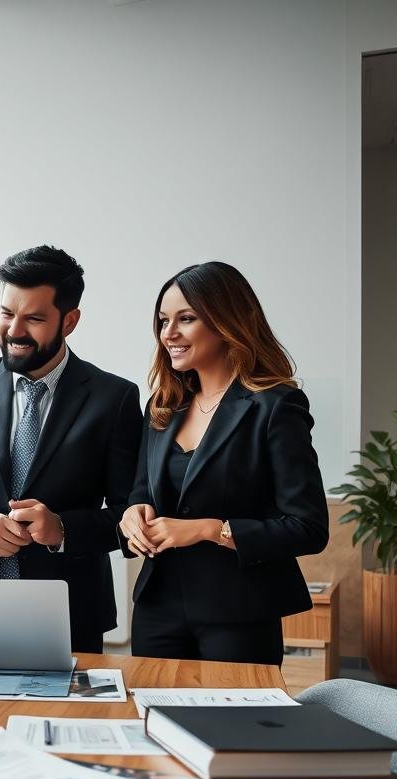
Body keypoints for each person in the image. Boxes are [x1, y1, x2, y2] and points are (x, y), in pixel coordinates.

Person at [0, 244, 143, 654]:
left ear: (69, 321)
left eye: (34, 318)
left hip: (71, 611)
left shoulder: (115, 398)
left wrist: (62, 530)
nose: (14, 330)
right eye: (6, 314)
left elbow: (131, 515)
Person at [119, 261, 328, 665]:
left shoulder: (277, 405)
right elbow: (143, 493)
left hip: (239, 614)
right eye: (163, 321)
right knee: (153, 724)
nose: (169, 334)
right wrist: (132, 516)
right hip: (156, 610)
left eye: (186, 319)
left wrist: (209, 530)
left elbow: (309, 527)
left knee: (234, 729)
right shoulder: (162, 408)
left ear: (226, 321)